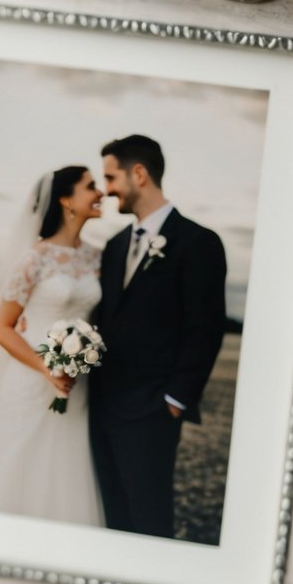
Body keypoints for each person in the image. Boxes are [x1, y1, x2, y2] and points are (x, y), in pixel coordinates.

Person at [0, 166, 104, 526]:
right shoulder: (34, 258)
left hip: (78, 383)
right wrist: (47, 367)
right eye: (91, 186)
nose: (100, 192)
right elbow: (3, 328)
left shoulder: (98, 257)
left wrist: (81, 356)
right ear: (65, 200)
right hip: (32, 377)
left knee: (68, 463)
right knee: (17, 456)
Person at [90, 134, 227, 539]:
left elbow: (205, 327)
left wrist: (174, 400)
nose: (107, 189)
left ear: (139, 173)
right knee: (111, 514)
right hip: (101, 406)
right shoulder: (115, 245)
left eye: (111, 177)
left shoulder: (198, 242)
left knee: (149, 519)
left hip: (152, 411)